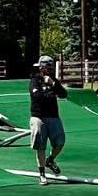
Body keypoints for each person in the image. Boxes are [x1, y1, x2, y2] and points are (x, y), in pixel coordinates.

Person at [29, 56, 67, 184]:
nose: (49, 69)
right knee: (40, 146)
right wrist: (49, 95)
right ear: (41, 67)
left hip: (53, 116)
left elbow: (64, 94)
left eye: (51, 67)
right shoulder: (35, 80)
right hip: (38, 116)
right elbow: (36, 96)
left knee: (60, 142)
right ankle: (42, 174)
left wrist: (53, 84)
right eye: (47, 67)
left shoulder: (53, 80)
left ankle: (50, 160)